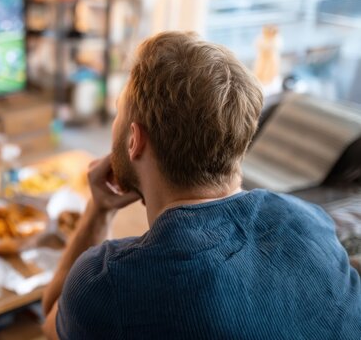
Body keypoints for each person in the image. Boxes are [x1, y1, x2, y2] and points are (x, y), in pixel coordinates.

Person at [41, 31, 361, 339]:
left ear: (134, 141)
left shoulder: (110, 282)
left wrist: (98, 210)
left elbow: (53, 321)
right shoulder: (310, 222)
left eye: (118, 116)